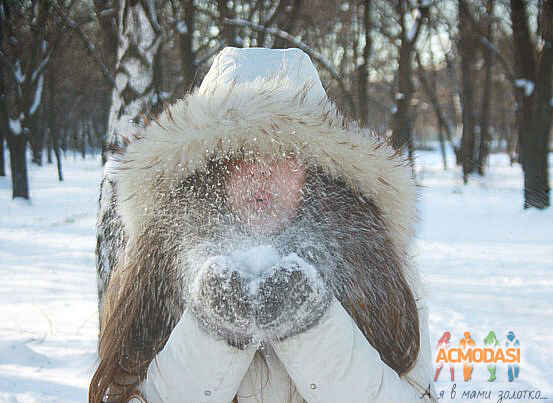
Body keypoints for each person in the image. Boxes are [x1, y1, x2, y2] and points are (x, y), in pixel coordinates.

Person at [91, 47, 437, 403]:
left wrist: (312, 325)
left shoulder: (372, 262)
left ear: (315, 167)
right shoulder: (157, 262)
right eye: (243, 154)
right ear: (213, 166)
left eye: (284, 153)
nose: (262, 173)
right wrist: (213, 331)